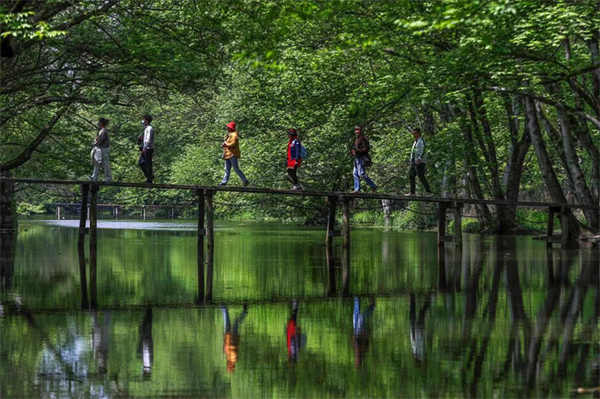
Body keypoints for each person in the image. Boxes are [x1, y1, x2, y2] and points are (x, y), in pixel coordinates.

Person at [219, 121, 249, 187]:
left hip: (232, 154)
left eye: (228, 127)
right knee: (227, 169)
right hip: (227, 154)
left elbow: (233, 144)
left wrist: (226, 144)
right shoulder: (229, 135)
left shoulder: (234, 134)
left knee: (236, 169)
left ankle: (245, 180)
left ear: (231, 128)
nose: (227, 128)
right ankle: (224, 182)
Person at [221, 303, 249, 373]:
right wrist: (226, 349)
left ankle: (222, 306)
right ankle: (245, 312)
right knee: (235, 322)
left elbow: (227, 347)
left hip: (228, 335)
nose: (227, 364)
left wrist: (225, 349)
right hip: (232, 336)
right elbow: (232, 347)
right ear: (231, 365)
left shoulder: (230, 358)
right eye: (228, 366)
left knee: (227, 318)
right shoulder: (233, 358)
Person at [351, 125, 377, 193]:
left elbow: (366, 149)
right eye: (355, 130)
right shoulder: (357, 139)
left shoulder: (363, 139)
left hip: (361, 158)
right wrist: (353, 152)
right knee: (355, 173)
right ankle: (357, 189)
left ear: (361, 131)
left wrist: (357, 151)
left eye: (358, 130)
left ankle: (373, 185)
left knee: (361, 174)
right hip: (356, 158)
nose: (356, 131)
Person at [408, 128, 432, 197]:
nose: (414, 135)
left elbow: (422, 150)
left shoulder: (421, 141)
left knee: (421, 176)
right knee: (411, 176)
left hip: (419, 162)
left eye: (415, 133)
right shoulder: (416, 141)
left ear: (419, 133)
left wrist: (419, 159)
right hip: (414, 161)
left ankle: (428, 192)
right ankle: (412, 192)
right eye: (413, 133)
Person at [139, 115, 155, 183]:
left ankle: (149, 178)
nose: (143, 121)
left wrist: (144, 148)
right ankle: (149, 175)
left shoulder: (149, 128)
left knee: (148, 163)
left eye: (144, 119)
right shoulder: (146, 128)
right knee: (141, 162)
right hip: (145, 148)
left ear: (147, 121)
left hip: (148, 148)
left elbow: (148, 140)